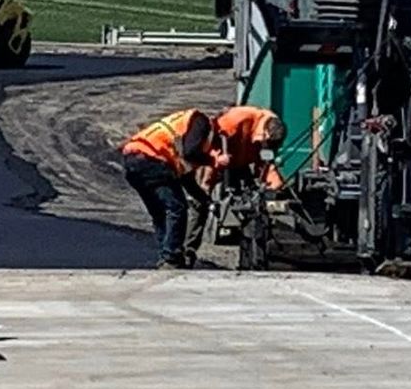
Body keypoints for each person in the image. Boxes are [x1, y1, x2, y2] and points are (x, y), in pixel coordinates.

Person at [120, 108, 218, 269]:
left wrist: (205, 200)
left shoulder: (182, 130)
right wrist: (212, 160)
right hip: (150, 160)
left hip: (132, 159)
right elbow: (191, 152)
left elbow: (187, 179)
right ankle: (171, 257)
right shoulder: (201, 122)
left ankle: (167, 257)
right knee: (177, 208)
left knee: (159, 213)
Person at [189, 105, 287, 265]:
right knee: (199, 205)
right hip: (217, 161)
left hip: (241, 164)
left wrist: (275, 189)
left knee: (254, 206)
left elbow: (266, 163)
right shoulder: (236, 119)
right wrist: (207, 182)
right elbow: (211, 144)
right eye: (266, 142)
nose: (266, 145)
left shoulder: (272, 132)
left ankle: (251, 257)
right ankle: (187, 253)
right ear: (265, 133)